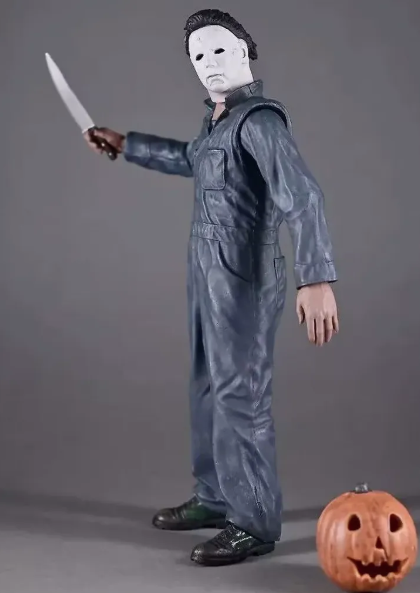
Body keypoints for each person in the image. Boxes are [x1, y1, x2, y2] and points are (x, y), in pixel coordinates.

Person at [84, 8, 339, 566]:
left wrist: (316, 277)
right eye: (198, 55)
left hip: (246, 272)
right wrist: (128, 144)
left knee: (240, 394)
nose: (208, 63)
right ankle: (216, 496)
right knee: (206, 385)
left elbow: (303, 196)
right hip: (207, 270)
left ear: (245, 52)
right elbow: (190, 159)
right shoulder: (218, 124)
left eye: (219, 49)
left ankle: (254, 521)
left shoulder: (259, 122)